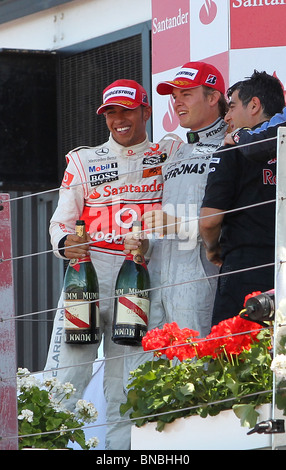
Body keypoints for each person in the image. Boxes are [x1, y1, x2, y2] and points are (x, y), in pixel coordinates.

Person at [44, 79, 180, 450]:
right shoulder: (83, 159)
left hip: (138, 275)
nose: (119, 119)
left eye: (127, 110)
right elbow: (60, 221)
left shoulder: (170, 153)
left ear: (146, 111)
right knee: (63, 381)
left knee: (127, 387)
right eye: (111, 113)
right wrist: (64, 243)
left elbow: (184, 207)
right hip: (87, 278)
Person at [124, 61, 228, 338]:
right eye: (174, 97)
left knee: (198, 370)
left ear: (213, 97)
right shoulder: (177, 153)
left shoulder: (231, 146)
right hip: (159, 280)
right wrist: (146, 244)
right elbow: (169, 220)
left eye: (186, 94)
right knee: (158, 375)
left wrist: (179, 225)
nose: (177, 103)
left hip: (201, 279)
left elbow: (240, 219)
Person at [199, 70, 285, 326]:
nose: (227, 117)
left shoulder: (231, 147)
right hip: (282, 265)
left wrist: (213, 249)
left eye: (232, 107)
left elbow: (209, 221)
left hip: (245, 269)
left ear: (255, 105)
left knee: (233, 359)